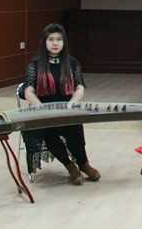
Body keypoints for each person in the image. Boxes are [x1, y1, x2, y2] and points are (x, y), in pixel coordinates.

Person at [21, 23, 100, 185]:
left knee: (74, 130)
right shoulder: (35, 65)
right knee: (47, 131)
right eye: (51, 39)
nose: (55, 43)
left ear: (64, 42)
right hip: (42, 110)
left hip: (66, 108)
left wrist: (72, 103)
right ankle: (70, 166)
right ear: (44, 42)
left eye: (59, 39)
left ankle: (83, 164)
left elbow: (79, 88)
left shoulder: (72, 63)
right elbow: (28, 91)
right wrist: (40, 107)